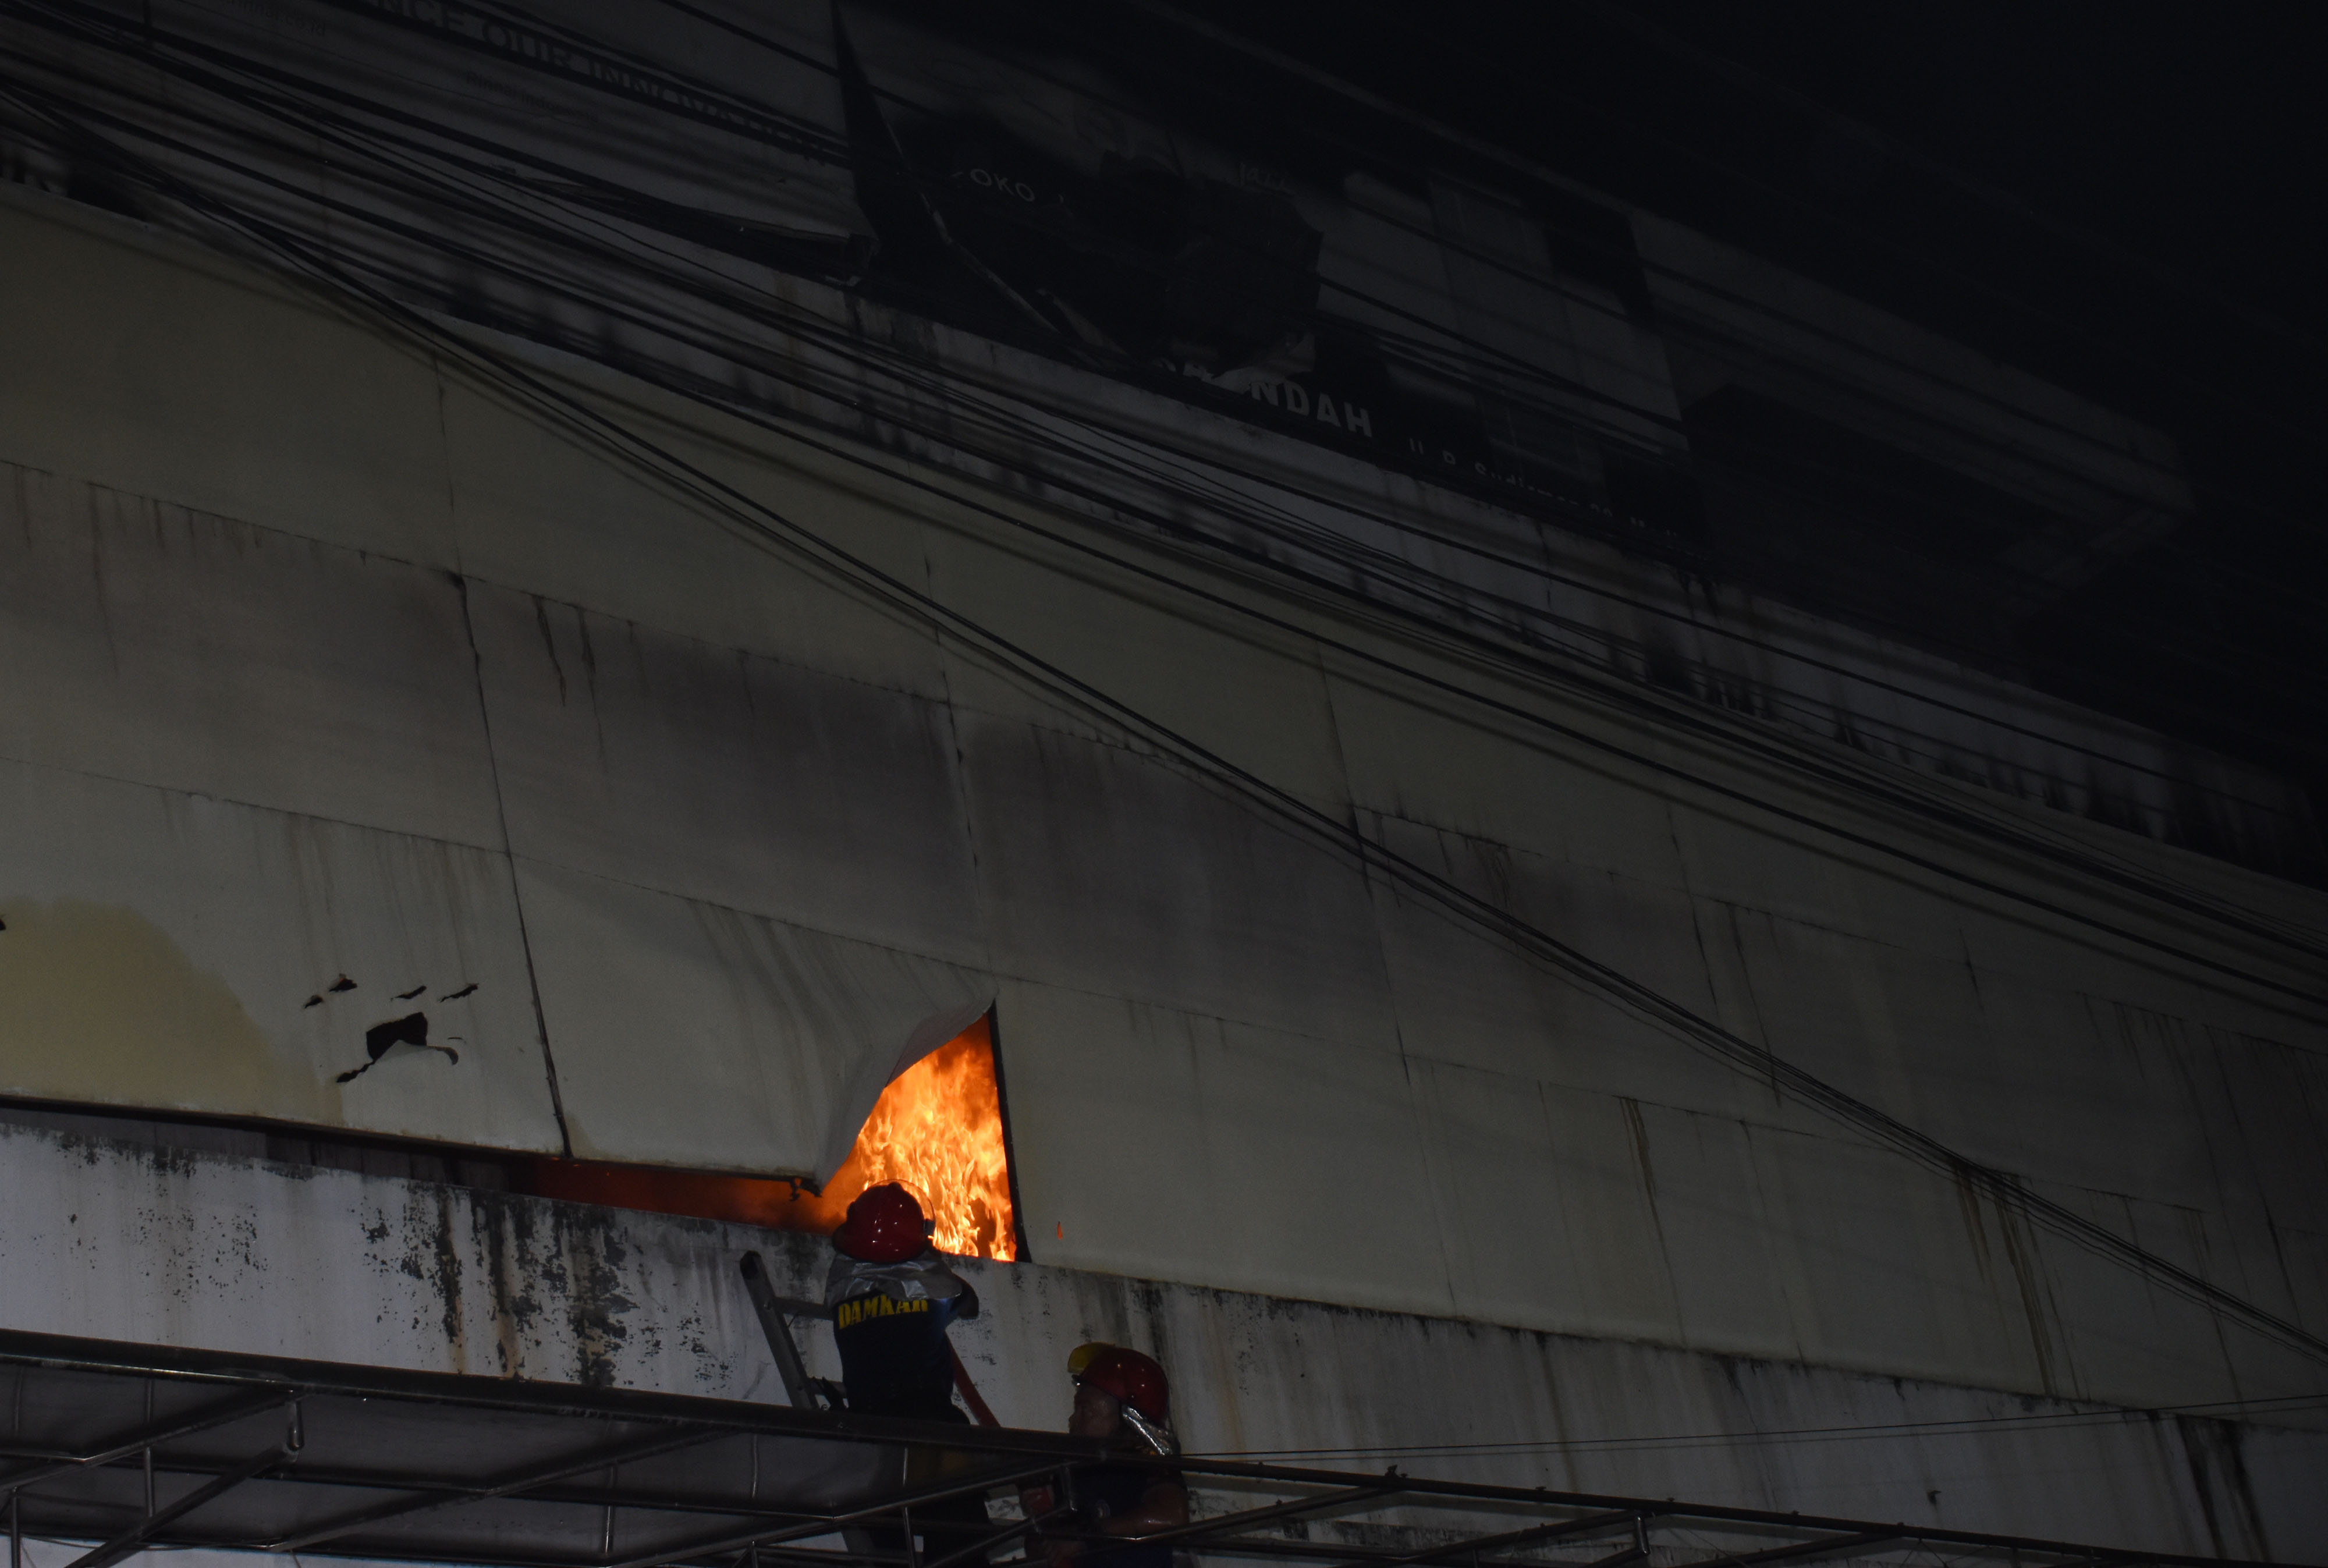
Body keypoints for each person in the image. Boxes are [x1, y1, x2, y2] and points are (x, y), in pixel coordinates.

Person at [824, 1182, 981, 1420]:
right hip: (927, 1420)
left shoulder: (841, 1288)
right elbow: (971, 1306)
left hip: (864, 1422)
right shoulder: (933, 1291)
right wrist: (933, 1264)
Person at [1033, 1343, 1188, 1568]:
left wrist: (1088, 1535)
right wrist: (1041, 1512)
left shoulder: (1150, 1460)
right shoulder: (1072, 1469)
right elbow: (1041, 1550)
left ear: (1129, 1418)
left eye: (1085, 1410)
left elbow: (1172, 1515)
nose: (1072, 1420)